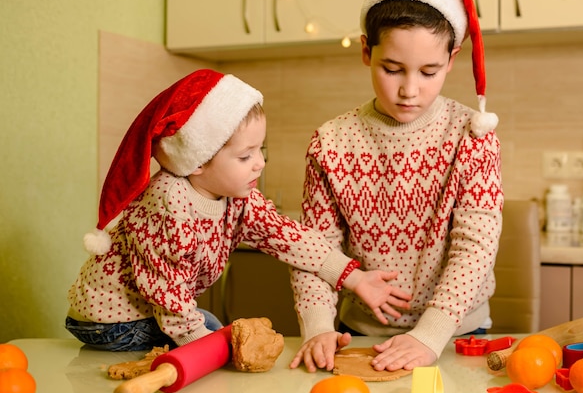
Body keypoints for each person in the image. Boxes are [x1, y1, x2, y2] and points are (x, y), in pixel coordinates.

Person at [66, 69, 411, 351]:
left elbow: (289, 238)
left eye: (261, 149)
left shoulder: (239, 198)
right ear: (197, 161)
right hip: (110, 323)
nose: (259, 163)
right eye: (245, 156)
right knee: (217, 337)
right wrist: (209, 347)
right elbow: (166, 291)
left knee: (217, 334)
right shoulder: (168, 204)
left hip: (153, 311)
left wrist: (354, 277)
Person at [289, 0, 504, 373]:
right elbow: (314, 251)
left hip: (457, 335)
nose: (410, 90)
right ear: (367, 52)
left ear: (452, 59)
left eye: (429, 71)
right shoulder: (331, 142)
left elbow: (475, 248)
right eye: (392, 69)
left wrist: (430, 334)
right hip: (362, 334)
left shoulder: (472, 135)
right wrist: (316, 325)